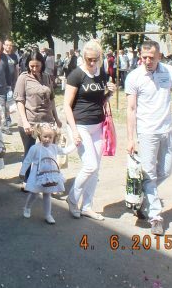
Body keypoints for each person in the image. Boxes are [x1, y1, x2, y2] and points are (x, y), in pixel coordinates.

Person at [126, 40, 172, 236]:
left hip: (167, 130)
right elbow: (131, 109)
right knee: (149, 174)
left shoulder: (168, 71)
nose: (147, 61)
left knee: (166, 170)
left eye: (151, 57)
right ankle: (155, 217)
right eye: (144, 57)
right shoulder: (134, 77)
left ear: (159, 56)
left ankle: (142, 198)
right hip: (147, 132)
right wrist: (130, 138)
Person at [63, 39, 116, 221]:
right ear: (84, 57)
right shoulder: (76, 75)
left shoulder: (102, 74)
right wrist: (74, 131)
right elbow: (66, 105)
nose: (92, 63)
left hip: (98, 125)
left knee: (96, 168)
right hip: (80, 125)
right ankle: (72, 199)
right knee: (90, 165)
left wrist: (110, 93)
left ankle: (87, 206)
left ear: (100, 58)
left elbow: (100, 101)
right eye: (89, 59)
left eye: (95, 59)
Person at [14, 50, 60, 186]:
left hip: (47, 121)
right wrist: (25, 122)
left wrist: (56, 118)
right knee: (30, 152)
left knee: (48, 152)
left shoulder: (46, 77)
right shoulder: (23, 78)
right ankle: (26, 180)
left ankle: (46, 178)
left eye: (37, 66)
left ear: (42, 64)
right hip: (30, 121)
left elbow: (52, 99)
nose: (34, 69)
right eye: (32, 66)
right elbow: (20, 101)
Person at [19, 124, 76, 224]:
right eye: (45, 136)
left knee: (47, 194)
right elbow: (27, 160)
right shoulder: (35, 148)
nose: (48, 139)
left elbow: (64, 151)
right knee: (34, 193)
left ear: (53, 137)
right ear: (40, 136)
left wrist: (75, 144)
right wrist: (22, 172)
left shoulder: (54, 147)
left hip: (50, 174)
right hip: (37, 174)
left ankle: (48, 214)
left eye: (50, 137)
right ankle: (27, 207)